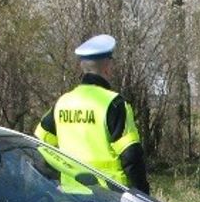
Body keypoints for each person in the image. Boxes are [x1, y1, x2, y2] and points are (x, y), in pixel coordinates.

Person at [35, 34, 151, 193]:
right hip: (111, 198)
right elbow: (131, 156)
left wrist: (53, 179)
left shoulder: (62, 102)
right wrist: (143, 198)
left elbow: (40, 144)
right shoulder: (114, 104)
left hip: (72, 195)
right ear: (107, 67)